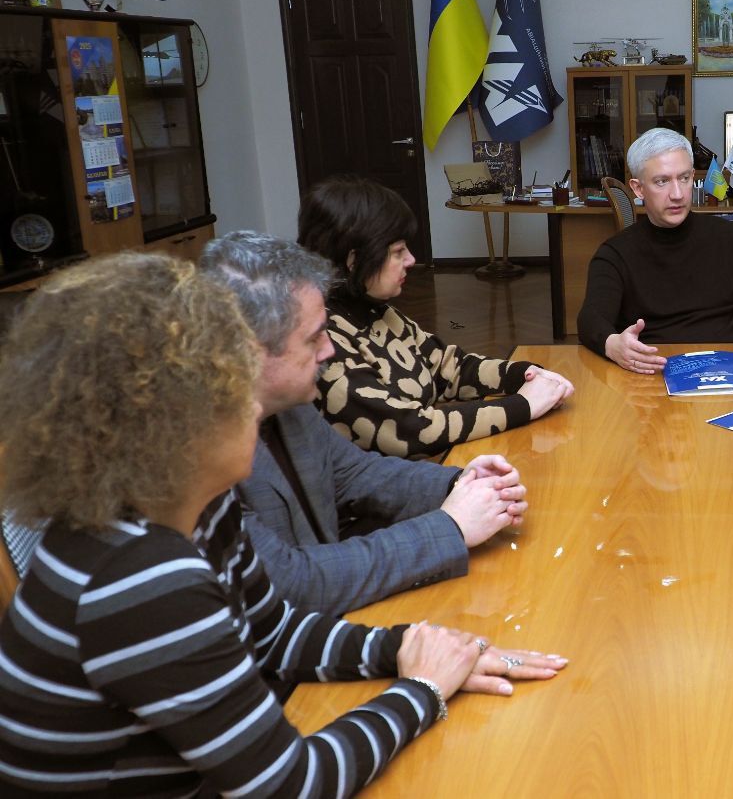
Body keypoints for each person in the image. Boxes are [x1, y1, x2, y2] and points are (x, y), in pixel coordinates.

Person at [0, 252, 564, 795]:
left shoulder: (199, 505)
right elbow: (290, 784)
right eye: (230, 386)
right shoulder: (141, 579)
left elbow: (273, 631)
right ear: (169, 426)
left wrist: (409, 648)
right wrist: (422, 690)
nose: (253, 404)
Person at [201, 231, 528, 615]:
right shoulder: (199, 453)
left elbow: (355, 473)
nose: (329, 350)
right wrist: (451, 526)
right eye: (313, 339)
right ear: (249, 352)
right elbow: (294, 583)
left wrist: (459, 484)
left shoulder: (286, 405)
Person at [297, 176, 573, 460]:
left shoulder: (375, 310)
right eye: (397, 252)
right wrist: (523, 405)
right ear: (353, 260)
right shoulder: (322, 340)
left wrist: (524, 374)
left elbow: (449, 368)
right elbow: (407, 430)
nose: (410, 260)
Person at [577, 127, 733, 373]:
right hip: (654, 375)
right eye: (662, 181)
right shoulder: (615, 254)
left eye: (684, 178)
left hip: (730, 375)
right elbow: (590, 320)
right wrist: (612, 344)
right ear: (638, 188)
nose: (677, 194)